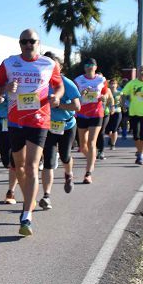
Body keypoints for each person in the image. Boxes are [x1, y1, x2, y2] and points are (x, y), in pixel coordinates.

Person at [0, 29, 64, 236]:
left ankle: (26, 214)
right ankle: (27, 198)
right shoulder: (9, 63)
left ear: (38, 43)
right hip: (15, 120)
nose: (28, 45)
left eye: (32, 41)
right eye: (24, 42)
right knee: (18, 167)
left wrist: (56, 97)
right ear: (20, 44)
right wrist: (5, 87)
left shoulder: (49, 64)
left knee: (31, 167)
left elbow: (59, 87)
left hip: (39, 120)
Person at [39, 56, 81, 209]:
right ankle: (46, 196)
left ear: (60, 68)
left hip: (67, 126)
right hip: (48, 126)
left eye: (54, 67)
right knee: (48, 162)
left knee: (65, 156)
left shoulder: (67, 83)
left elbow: (77, 107)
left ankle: (68, 174)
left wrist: (59, 105)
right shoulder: (41, 82)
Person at [73, 58, 108, 184]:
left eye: (92, 65)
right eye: (87, 65)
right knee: (83, 146)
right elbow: (74, 96)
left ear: (96, 67)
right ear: (84, 67)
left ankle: (88, 173)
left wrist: (104, 98)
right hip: (82, 114)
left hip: (96, 113)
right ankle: (91, 160)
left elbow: (105, 94)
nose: (89, 67)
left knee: (92, 143)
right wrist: (80, 94)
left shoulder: (101, 80)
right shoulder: (78, 80)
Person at [105, 77, 123, 152]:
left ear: (117, 85)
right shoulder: (107, 92)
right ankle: (111, 138)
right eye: (111, 84)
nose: (112, 85)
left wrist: (123, 106)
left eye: (114, 84)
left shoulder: (119, 93)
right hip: (108, 113)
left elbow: (123, 101)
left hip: (117, 112)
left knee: (114, 129)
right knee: (107, 131)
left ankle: (113, 144)